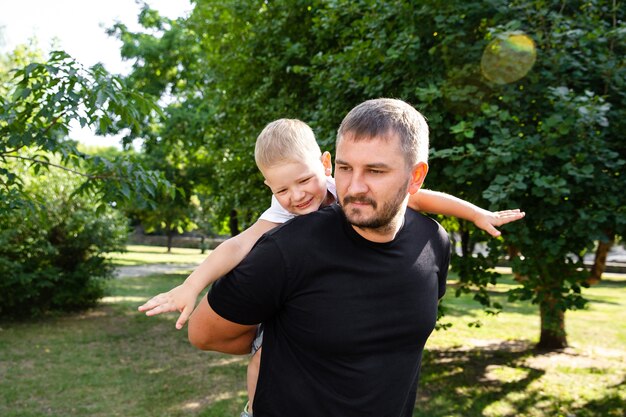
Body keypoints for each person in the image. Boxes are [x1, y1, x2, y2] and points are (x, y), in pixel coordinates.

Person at [139, 117, 524, 416]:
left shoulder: (347, 189)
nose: (297, 196)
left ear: (324, 165)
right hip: (280, 315)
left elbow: (422, 199)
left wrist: (476, 213)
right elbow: (238, 244)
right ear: (269, 186)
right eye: (281, 190)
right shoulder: (283, 225)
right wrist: (191, 286)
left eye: (305, 180)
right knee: (262, 358)